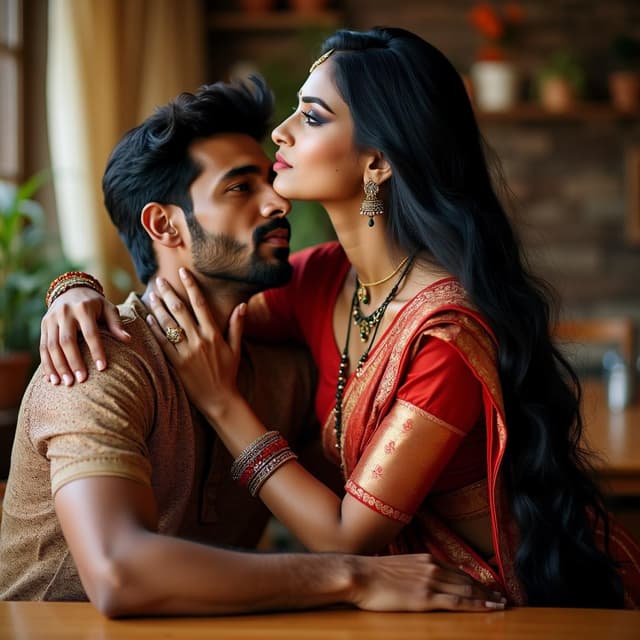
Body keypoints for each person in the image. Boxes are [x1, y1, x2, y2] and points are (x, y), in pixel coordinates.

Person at [39, 28, 640, 608]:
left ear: (377, 163)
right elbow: (192, 293)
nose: (281, 132)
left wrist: (222, 403)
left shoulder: (444, 336)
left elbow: (347, 539)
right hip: (402, 605)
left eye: (313, 116)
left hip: (522, 602)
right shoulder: (324, 280)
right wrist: (73, 289)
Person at [0, 78, 505, 616]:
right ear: (164, 224)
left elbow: (353, 506)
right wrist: (354, 576)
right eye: (241, 188)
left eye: (270, 180)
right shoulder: (98, 361)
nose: (277, 201)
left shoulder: (284, 370)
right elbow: (119, 573)